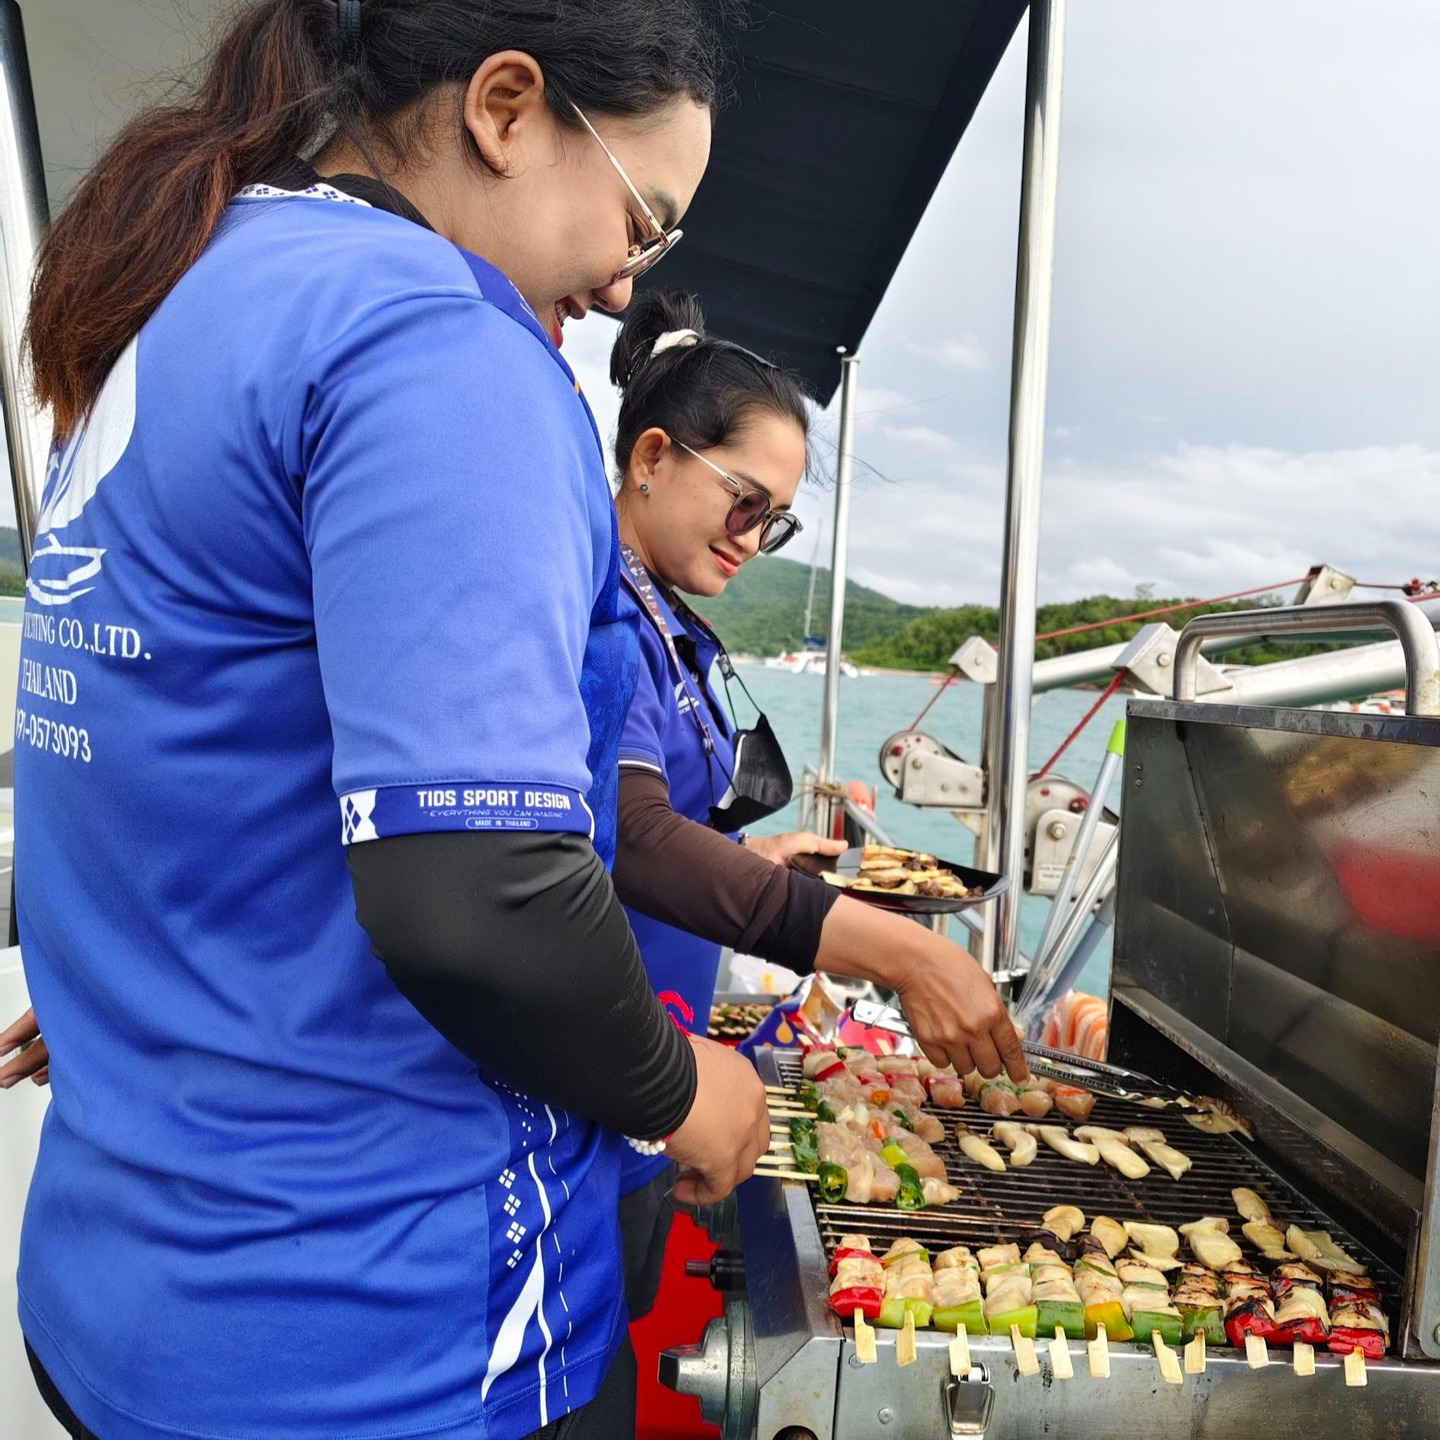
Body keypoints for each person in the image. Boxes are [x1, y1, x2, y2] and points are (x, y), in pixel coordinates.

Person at [11, 3, 769, 1439]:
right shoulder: (437, 341)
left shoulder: (179, 293)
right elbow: (479, 894)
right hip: (378, 1329)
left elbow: (183, 763)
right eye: (642, 216)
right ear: (505, 107)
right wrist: (685, 1091)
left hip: (122, 1285)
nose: (629, 283)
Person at [599, 290, 1027, 1322]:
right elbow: (632, 836)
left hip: (651, 1062)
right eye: (745, 501)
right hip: (598, 1077)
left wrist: (758, 859)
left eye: (776, 522)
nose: (755, 538)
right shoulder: (600, 610)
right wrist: (905, 953)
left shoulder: (662, 617)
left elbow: (625, 827)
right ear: (652, 457)